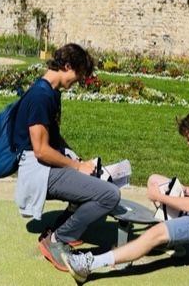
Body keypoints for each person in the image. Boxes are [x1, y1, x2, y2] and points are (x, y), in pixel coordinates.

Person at [63, 107, 189, 282]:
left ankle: (88, 264)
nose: (188, 143)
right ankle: (173, 242)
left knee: (154, 233)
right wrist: (184, 190)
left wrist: (160, 197)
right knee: (155, 180)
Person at [13, 43, 121, 272]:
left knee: (96, 180)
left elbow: (55, 138)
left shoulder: (52, 93)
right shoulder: (41, 96)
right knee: (110, 195)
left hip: (47, 165)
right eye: (78, 75)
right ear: (67, 66)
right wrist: (76, 166)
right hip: (39, 170)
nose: (78, 81)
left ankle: (59, 230)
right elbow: (41, 149)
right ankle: (58, 240)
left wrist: (80, 161)